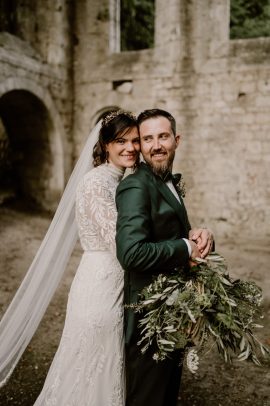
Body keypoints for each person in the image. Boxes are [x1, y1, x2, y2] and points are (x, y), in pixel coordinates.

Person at [32, 110, 140, 405]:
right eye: (121, 140)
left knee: (112, 361)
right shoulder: (95, 183)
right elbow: (121, 242)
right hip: (101, 286)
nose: (130, 147)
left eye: (135, 140)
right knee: (93, 364)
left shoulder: (123, 181)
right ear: (106, 144)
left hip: (121, 283)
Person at [115, 108, 214, 406]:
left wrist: (201, 236)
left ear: (176, 140)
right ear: (141, 146)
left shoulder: (165, 180)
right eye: (148, 139)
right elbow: (131, 253)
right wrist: (185, 248)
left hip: (174, 312)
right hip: (149, 320)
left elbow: (171, 231)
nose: (156, 145)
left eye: (163, 136)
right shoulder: (135, 185)